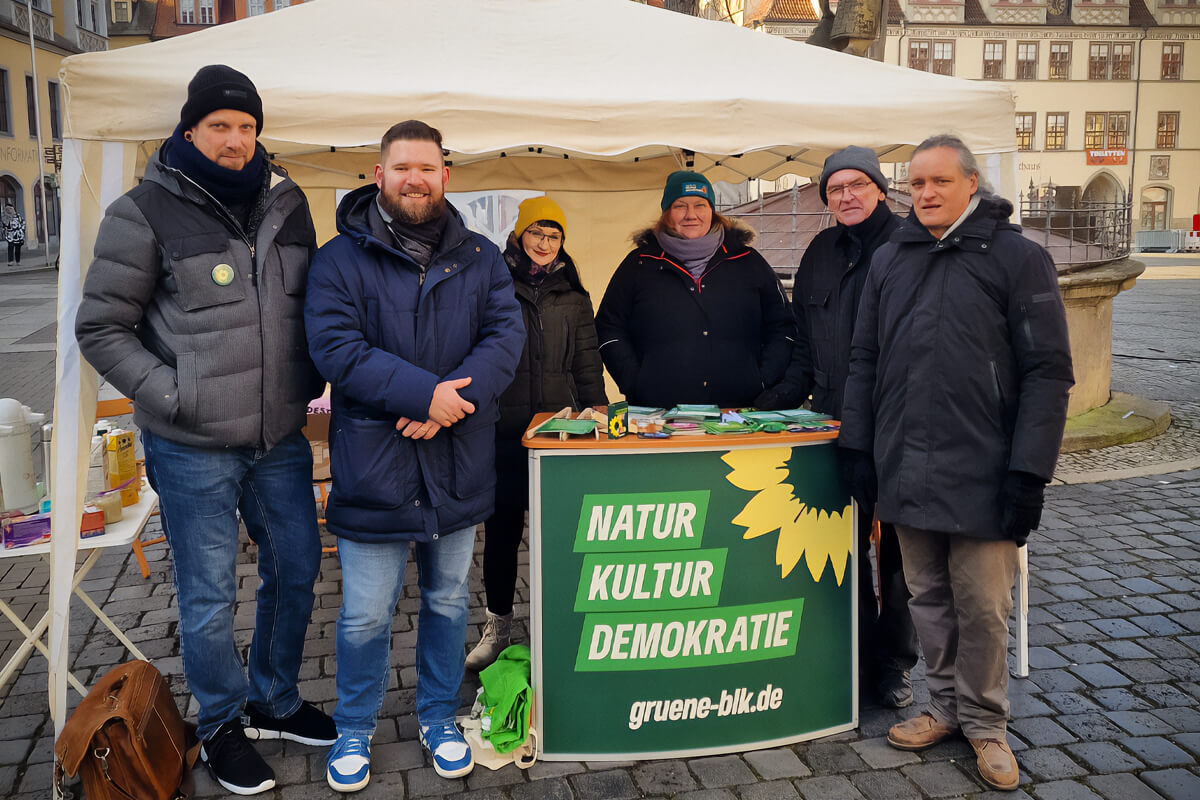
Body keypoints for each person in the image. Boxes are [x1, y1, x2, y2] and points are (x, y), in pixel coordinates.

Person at [75, 65, 334, 796]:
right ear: (190, 130)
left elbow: (309, 303)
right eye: (220, 125)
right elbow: (100, 325)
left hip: (278, 435)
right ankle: (219, 722)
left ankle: (273, 699)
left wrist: (314, 376)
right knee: (209, 592)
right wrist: (170, 392)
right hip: (190, 445)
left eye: (247, 126)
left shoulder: (288, 203)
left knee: (297, 567)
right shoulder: (145, 209)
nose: (235, 139)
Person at [840, 134, 1073, 792]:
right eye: (916, 184)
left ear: (972, 183)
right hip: (906, 468)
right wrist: (860, 446)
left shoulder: (1018, 260)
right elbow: (866, 361)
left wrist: (1030, 472)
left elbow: (1048, 373)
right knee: (928, 600)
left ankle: (987, 724)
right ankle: (942, 708)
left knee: (981, 607)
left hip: (986, 471)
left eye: (940, 181)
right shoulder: (893, 259)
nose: (927, 193)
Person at [304, 120, 523, 792]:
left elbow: (505, 335)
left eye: (426, 168)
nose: (415, 179)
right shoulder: (339, 259)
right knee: (366, 611)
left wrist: (450, 401)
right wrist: (425, 394)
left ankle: (436, 715)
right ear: (379, 176)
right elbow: (335, 349)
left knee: (448, 601)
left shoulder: (482, 256)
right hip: (378, 464)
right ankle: (354, 727)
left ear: (445, 176)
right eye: (401, 167)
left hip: (455, 460)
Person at [760, 146, 918, 709]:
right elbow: (803, 342)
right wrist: (774, 399)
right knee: (842, 548)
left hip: (896, 424)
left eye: (856, 185)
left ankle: (893, 664)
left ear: (880, 188)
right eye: (835, 189)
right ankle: (849, 656)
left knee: (901, 554)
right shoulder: (820, 251)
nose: (846, 196)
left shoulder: (910, 247)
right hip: (830, 423)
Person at [464, 197, 606, 672]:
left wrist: (597, 408)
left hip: (561, 433)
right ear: (519, 235)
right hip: (503, 431)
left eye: (553, 236)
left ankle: (562, 623)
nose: (544, 244)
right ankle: (498, 627)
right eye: (536, 234)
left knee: (562, 535)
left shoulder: (573, 293)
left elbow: (588, 363)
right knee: (502, 534)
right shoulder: (494, 283)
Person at [594, 170, 794, 409]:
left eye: (700, 205)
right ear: (667, 213)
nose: (691, 215)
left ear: (712, 210)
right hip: (658, 415)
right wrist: (636, 382)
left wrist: (762, 379)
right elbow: (609, 328)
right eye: (680, 206)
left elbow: (782, 326)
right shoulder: (639, 264)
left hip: (738, 412)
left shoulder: (748, 261)